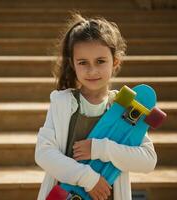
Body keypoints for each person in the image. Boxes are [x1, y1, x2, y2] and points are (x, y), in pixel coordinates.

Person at [34, 13, 157, 200]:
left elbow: (148, 160)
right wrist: (89, 179)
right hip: (65, 195)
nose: (92, 71)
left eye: (100, 61)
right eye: (83, 63)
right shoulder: (62, 102)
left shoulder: (125, 107)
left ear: (115, 61)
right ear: (73, 65)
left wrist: (100, 149)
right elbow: (43, 153)